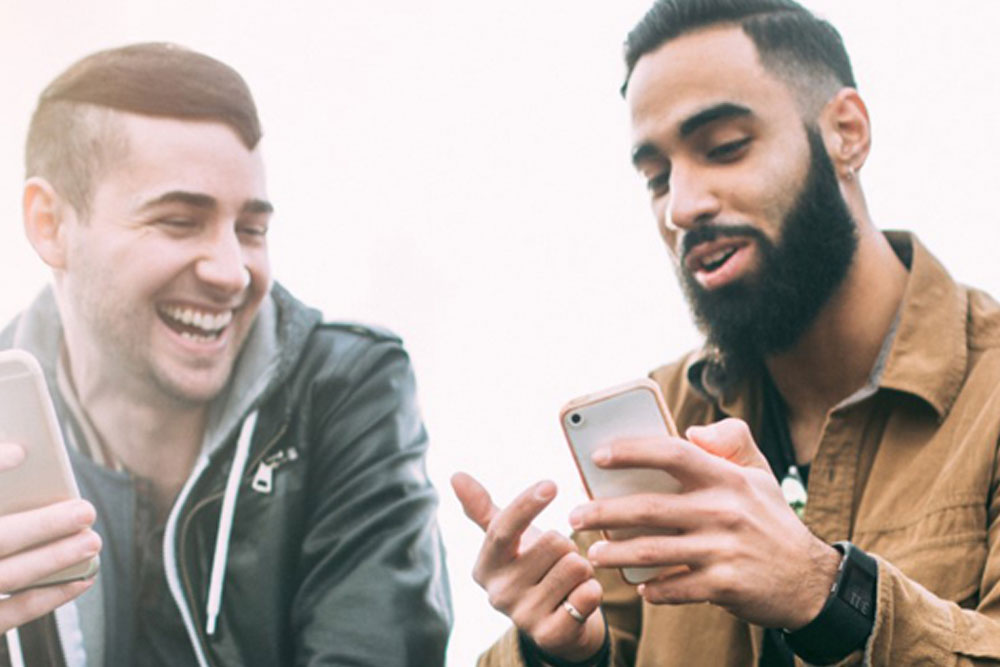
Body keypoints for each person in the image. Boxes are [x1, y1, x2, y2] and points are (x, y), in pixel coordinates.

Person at [454, 0, 1000, 664]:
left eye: (724, 149)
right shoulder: (668, 420)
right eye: (657, 178)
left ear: (846, 133)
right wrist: (558, 652)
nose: (682, 206)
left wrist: (825, 593)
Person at [0, 43, 451, 666]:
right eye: (180, 221)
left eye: (251, 230)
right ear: (49, 223)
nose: (232, 273)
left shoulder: (344, 389)